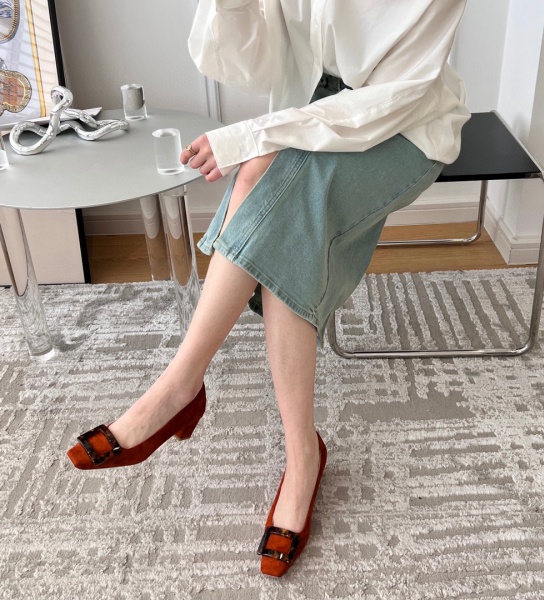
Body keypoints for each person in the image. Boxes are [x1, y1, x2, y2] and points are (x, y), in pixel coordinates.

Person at [67, 0, 470, 577]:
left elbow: (390, 99)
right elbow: (247, 63)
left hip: (406, 121)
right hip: (317, 106)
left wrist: (253, 135)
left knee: (277, 195)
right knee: (267, 189)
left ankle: (184, 390)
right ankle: (294, 447)